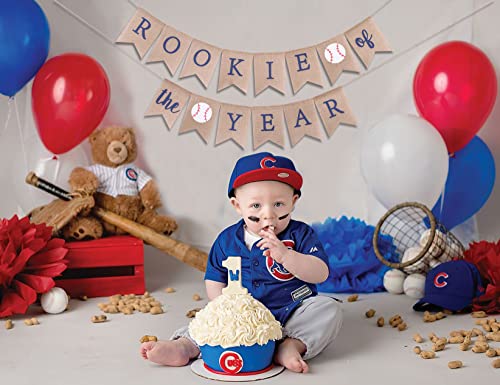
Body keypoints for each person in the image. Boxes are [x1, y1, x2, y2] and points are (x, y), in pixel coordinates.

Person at [140, 152, 343, 373]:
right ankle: (185, 346)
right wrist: (226, 310)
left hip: (291, 311)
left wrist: (286, 256)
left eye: (278, 204)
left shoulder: (301, 234)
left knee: (327, 309)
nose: (268, 215)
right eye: (256, 206)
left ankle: (290, 344)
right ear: (238, 205)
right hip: (243, 316)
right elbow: (214, 279)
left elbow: (320, 273)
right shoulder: (227, 241)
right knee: (208, 317)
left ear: (293, 202)